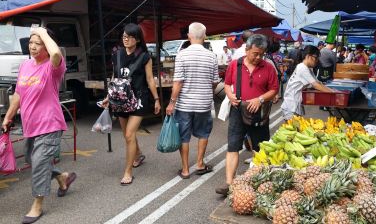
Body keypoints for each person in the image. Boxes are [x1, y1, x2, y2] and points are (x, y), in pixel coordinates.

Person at [2, 28, 76, 223]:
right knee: (32, 160)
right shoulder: (26, 65)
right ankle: (62, 178)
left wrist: (43, 32)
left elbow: (56, 53)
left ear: (47, 43)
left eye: (38, 43)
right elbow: (19, 94)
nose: (33, 46)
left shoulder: (53, 66)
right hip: (30, 125)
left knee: (40, 164)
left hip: (50, 124)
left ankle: (37, 206)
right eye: (31, 42)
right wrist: (8, 117)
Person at [215, 34, 279, 196]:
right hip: (238, 110)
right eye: (255, 53)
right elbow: (228, 84)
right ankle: (229, 183)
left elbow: (274, 89)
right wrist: (230, 95)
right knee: (233, 146)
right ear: (247, 49)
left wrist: (260, 99)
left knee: (260, 148)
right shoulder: (235, 65)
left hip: (259, 112)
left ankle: (261, 182)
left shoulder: (268, 67)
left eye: (261, 54)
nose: (258, 57)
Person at [102, 23, 161, 185]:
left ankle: (128, 172)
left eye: (129, 36)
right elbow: (114, 77)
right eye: (124, 36)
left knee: (129, 135)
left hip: (139, 100)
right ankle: (138, 153)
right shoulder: (117, 55)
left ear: (137, 39)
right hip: (120, 100)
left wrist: (156, 99)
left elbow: (149, 79)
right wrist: (109, 96)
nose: (125, 39)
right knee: (127, 135)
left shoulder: (144, 56)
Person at [166, 22, 219, 179]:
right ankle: (200, 164)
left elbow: (178, 82)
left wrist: (171, 102)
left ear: (189, 36)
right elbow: (215, 81)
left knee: (184, 136)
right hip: (204, 104)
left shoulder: (182, 55)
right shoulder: (212, 56)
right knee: (203, 134)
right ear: (204, 36)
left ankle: (185, 170)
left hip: (185, 105)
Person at [281, 46, 338, 120]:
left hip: (295, 104)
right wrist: (334, 93)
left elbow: (319, 83)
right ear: (308, 56)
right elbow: (316, 85)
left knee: (297, 129)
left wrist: (332, 91)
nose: (317, 60)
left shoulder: (308, 69)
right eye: (316, 57)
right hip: (291, 105)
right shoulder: (302, 67)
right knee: (292, 130)